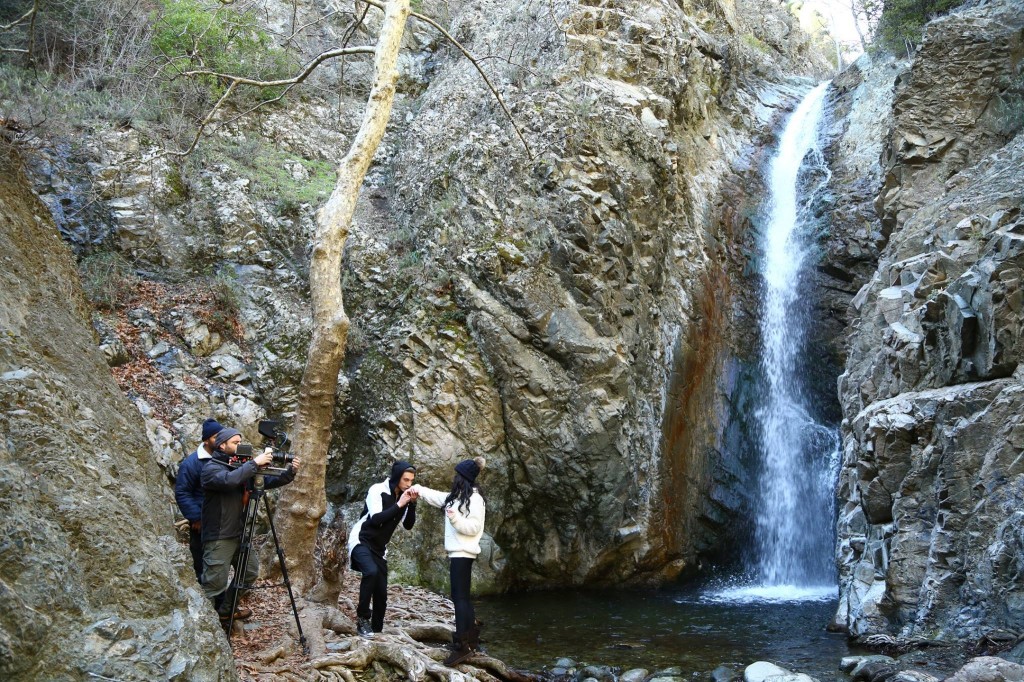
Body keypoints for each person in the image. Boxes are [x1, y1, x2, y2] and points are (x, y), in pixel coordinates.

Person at [200, 427, 300, 622]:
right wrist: (254, 463)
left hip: (239, 533)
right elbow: (229, 481)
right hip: (219, 536)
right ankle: (203, 626)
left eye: (240, 442)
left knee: (250, 571)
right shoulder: (211, 468)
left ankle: (226, 610)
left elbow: (264, 482)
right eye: (235, 443)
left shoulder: (239, 467)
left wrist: (290, 472)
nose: (239, 446)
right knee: (214, 584)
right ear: (222, 445)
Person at [411, 457, 486, 666]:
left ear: (463, 478)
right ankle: (471, 641)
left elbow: (474, 527)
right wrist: (418, 489)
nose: (454, 478)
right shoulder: (458, 497)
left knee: (459, 599)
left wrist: (454, 519)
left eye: (457, 475)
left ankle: (463, 646)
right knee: (462, 598)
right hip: (458, 553)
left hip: (464, 553)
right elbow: (438, 497)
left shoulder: (475, 499)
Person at [347, 460, 418, 638]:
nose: (409, 484)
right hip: (362, 539)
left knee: (381, 593)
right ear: (397, 477)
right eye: (406, 480)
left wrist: (412, 504)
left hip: (380, 548)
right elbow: (376, 519)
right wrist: (400, 504)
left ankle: (376, 631)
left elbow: (408, 525)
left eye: (411, 481)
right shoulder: (378, 489)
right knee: (370, 572)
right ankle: (362, 620)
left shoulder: (403, 497)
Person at [174, 418, 223, 580]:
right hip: (202, 523)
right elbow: (182, 492)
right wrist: (195, 517)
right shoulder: (191, 463)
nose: (220, 440)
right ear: (206, 440)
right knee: (202, 563)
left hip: (224, 521)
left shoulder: (225, 458)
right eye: (216, 437)